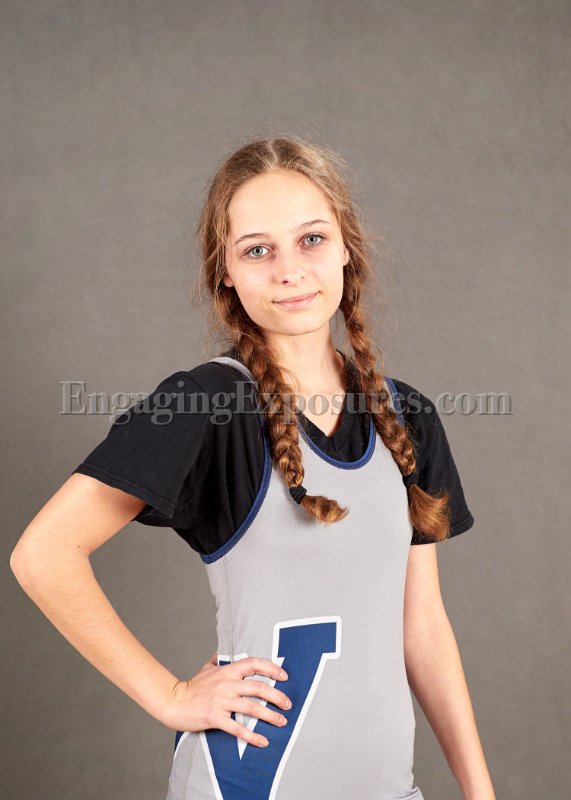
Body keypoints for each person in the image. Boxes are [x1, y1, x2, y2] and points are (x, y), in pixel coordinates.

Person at [10, 136, 496, 800]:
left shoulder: (406, 414)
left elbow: (424, 625)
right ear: (226, 274)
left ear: (347, 247)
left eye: (311, 239)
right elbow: (42, 555)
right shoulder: (205, 404)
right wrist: (170, 696)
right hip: (245, 786)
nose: (290, 270)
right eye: (258, 250)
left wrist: (479, 791)